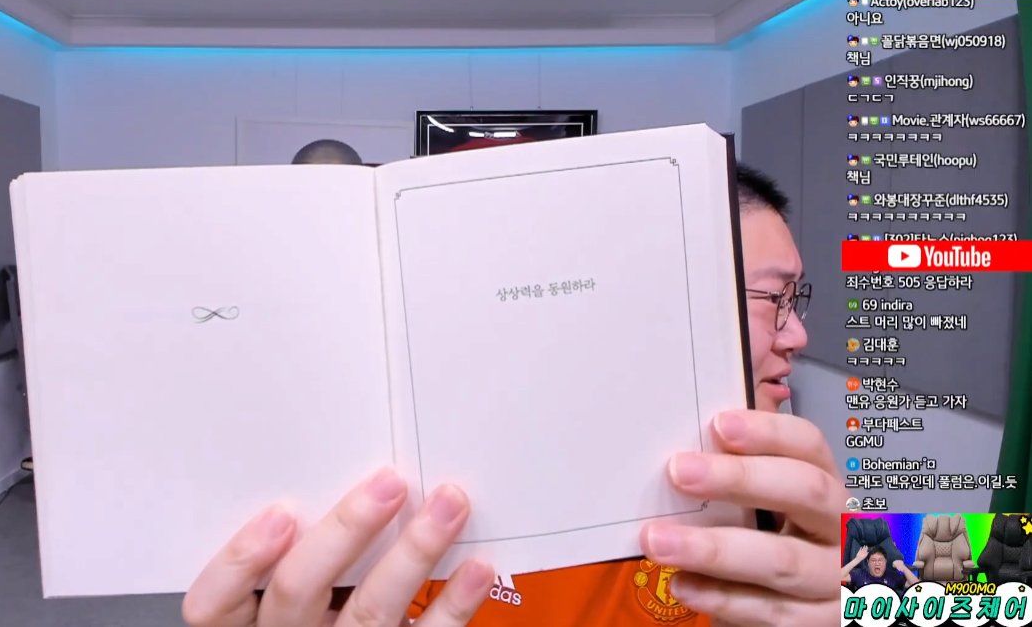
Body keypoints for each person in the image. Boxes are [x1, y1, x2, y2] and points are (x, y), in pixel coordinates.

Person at [181, 161, 846, 627]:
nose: (799, 334)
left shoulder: (796, 494)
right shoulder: (441, 496)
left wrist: (869, 593)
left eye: (798, 298)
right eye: (775, 298)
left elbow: (911, 587)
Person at [841, 545, 918, 594]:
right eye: (873, 560)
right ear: (868, 562)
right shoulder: (860, 574)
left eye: (880, 560)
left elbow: (917, 586)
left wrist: (903, 568)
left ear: (885, 562)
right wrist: (857, 559)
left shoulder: (893, 576)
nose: (877, 563)